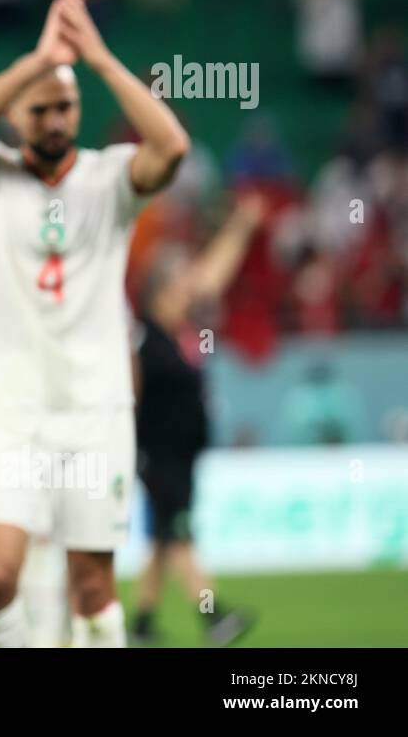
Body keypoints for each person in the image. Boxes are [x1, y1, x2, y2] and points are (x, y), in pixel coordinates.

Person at [0, 0, 189, 647]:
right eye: (41, 108)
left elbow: (172, 146)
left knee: (93, 591)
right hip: (3, 408)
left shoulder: (109, 180)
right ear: (16, 113)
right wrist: (37, 61)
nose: (55, 120)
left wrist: (100, 60)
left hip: (94, 408)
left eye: (66, 107)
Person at [132, 194, 266, 646]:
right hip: (158, 458)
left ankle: (142, 625)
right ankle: (214, 617)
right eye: (184, 278)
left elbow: (214, 273)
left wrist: (241, 225)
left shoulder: (179, 333)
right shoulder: (144, 340)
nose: (194, 284)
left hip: (180, 456)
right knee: (180, 536)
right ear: (164, 287)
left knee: (164, 540)